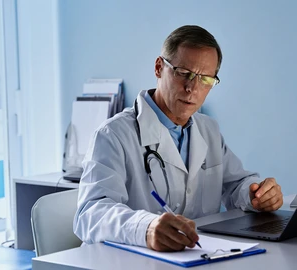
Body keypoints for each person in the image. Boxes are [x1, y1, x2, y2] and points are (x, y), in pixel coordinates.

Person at [73, 25, 283, 252]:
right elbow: (90, 214)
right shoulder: (113, 135)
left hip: (198, 257)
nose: (192, 88)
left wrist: (255, 195)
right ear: (158, 67)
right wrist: (146, 228)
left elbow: (234, 186)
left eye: (205, 79)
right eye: (184, 73)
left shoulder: (207, 129)